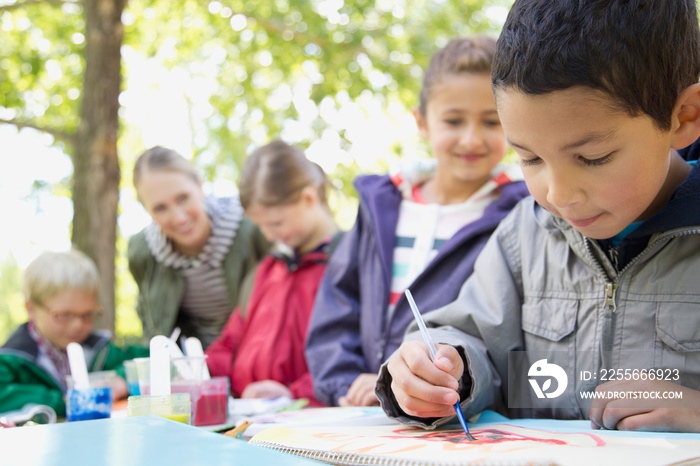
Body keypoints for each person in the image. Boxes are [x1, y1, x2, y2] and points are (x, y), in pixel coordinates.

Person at [377, 0, 700, 433]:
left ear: (683, 117)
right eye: (528, 158)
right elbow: (477, 342)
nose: (559, 194)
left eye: (593, 157)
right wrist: (440, 369)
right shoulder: (524, 235)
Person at [305, 36, 530, 408]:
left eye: (492, 121)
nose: (471, 138)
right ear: (422, 122)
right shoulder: (381, 205)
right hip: (362, 411)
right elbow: (338, 305)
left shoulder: (519, 215)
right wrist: (346, 381)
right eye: (454, 120)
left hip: (447, 409)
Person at [205, 140, 342, 405]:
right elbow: (232, 341)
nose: (269, 235)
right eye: (261, 226)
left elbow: (357, 356)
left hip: (315, 421)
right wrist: (198, 372)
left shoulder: (348, 263)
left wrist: (294, 393)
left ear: (309, 198)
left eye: (276, 223)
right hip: (249, 420)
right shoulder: (268, 269)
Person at [128, 146, 270, 348]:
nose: (179, 217)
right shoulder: (143, 252)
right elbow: (151, 321)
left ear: (199, 185)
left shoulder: (253, 229)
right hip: (192, 368)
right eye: (160, 208)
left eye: (183, 198)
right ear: (146, 210)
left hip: (255, 356)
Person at [0, 250, 148, 417]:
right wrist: (64, 401)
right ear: (31, 309)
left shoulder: (100, 350)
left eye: (87, 314)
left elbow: (152, 359)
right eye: (63, 315)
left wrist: (121, 379)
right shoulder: (11, 359)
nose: (78, 325)